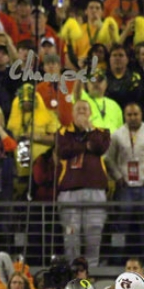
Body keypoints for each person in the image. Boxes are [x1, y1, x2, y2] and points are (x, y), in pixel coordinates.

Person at [56, 100, 111, 268]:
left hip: (95, 189)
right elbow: (63, 151)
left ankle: (92, 270)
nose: (81, 111)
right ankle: (74, 270)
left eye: (84, 109)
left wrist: (88, 130)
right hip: (69, 190)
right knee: (71, 233)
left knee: (94, 232)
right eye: (78, 109)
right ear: (72, 114)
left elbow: (99, 147)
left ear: (90, 113)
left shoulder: (102, 132)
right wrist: (85, 145)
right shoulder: (63, 132)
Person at [104, 102, 144, 254]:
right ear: (125, 116)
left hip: (143, 184)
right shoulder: (117, 134)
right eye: (129, 115)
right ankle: (117, 258)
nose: (133, 117)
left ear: (141, 115)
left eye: (136, 114)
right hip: (124, 186)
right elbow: (108, 158)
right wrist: (117, 176)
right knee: (120, 225)